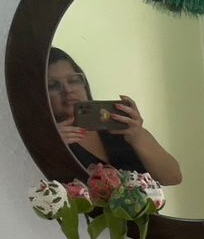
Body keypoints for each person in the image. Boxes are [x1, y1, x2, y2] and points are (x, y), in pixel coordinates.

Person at [46, 48, 183, 186]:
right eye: (52, 85)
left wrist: (138, 137)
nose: (68, 90)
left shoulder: (118, 123)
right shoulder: (45, 139)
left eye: (74, 80)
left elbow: (173, 177)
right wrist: (50, 146)